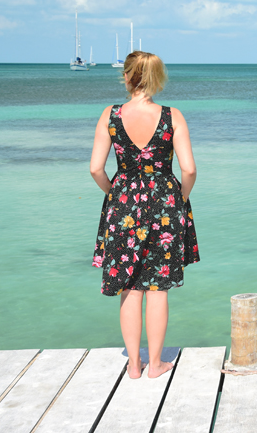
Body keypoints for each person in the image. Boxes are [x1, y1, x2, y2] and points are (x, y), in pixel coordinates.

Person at [89, 51, 200, 379]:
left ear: (126, 77)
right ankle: (156, 365)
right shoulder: (172, 116)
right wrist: (180, 197)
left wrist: (115, 193)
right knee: (157, 287)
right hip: (165, 205)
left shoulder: (110, 115)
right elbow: (189, 169)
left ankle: (134, 366)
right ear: (156, 78)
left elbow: (95, 168)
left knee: (130, 287)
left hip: (124, 205)